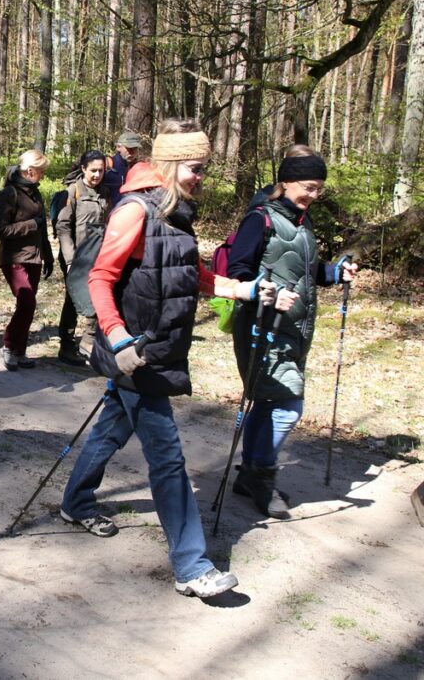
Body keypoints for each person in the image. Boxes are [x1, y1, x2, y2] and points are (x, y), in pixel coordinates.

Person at [59, 118, 276, 598]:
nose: (202, 176)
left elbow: (186, 270)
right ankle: (192, 565)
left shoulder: (174, 210)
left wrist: (237, 288)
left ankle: (75, 501)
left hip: (160, 347)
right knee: (168, 458)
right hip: (137, 351)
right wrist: (117, 339)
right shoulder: (135, 210)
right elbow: (99, 276)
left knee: (113, 427)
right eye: (196, 168)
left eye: (204, 168)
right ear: (173, 163)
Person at [226, 145, 358, 519]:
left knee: (269, 402)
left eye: (319, 189)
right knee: (287, 405)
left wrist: (334, 272)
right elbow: (238, 271)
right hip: (263, 326)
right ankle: (260, 477)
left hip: (296, 328)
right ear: (286, 182)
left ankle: (250, 475)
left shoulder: (302, 221)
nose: (315, 196)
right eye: (310, 187)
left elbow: (306, 269)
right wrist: (268, 293)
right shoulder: (260, 219)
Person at [0, 149, 53, 370]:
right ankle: (9, 345)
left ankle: (20, 351)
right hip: (14, 257)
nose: (43, 176)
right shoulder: (9, 193)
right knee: (28, 301)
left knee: (26, 306)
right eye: (41, 171)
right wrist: (31, 225)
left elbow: (42, 229)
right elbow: (1, 230)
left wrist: (48, 256)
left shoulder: (35, 192)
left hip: (34, 257)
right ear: (30, 171)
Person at [55, 150, 111, 365]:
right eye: (93, 170)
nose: (97, 175)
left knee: (98, 296)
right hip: (76, 256)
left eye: (101, 171)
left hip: (98, 255)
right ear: (83, 169)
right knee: (74, 299)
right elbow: (63, 226)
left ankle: (88, 342)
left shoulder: (105, 193)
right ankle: (66, 345)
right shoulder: (73, 191)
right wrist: (70, 260)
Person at [104, 130, 143, 207]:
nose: (132, 152)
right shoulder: (108, 165)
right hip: (110, 214)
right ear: (118, 147)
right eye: (128, 148)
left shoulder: (140, 168)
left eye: (135, 148)